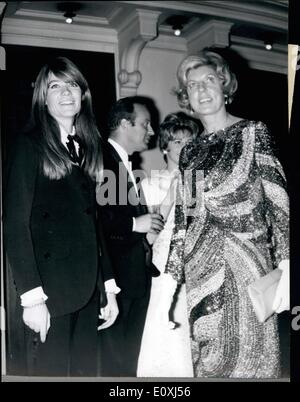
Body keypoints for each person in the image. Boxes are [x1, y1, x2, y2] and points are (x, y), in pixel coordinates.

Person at [164, 50, 289, 378]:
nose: (202, 90)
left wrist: (288, 265)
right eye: (193, 86)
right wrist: (171, 281)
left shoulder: (253, 132)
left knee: (254, 360)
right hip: (200, 274)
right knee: (208, 362)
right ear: (186, 96)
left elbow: (279, 202)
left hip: (249, 270)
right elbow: (185, 218)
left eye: (209, 81)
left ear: (224, 85)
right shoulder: (190, 151)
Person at [3, 57, 119, 377]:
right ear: (43, 97)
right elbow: (15, 225)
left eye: (72, 85)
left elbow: (91, 223)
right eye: (55, 85)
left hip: (86, 290)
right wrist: (32, 299)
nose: (66, 92)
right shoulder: (29, 146)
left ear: (83, 95)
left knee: (84, 375)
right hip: (50, 294)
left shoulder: (88, 148)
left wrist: (107, 286)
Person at [97, 96, 165, 377]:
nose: (151, 132)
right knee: (115, 362)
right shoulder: (99, 159)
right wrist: (135, 223)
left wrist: (144, 231)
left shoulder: (125, 163)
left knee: (128, 360)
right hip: (116, 280)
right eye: (145, 124)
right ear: (125, 124)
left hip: (134, 276)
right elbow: (95, 217)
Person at [137, 112, 198, 377]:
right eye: (177, 142)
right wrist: (171, 196)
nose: (184, 147)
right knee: (160, 331)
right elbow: (147, 235)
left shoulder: (202, 185)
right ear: (164, 146)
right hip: (161, 266)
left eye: (189, 142)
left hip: (195, 266)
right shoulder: (149, 184)